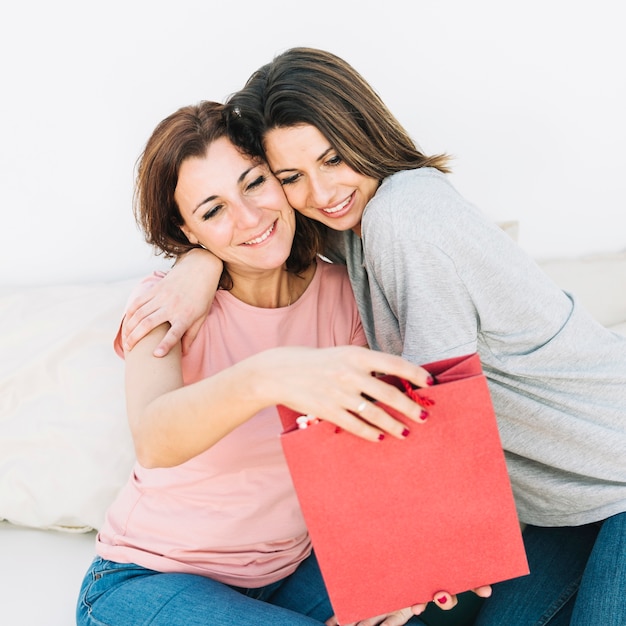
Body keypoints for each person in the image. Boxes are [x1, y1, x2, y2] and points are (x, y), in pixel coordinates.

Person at [121, 48, 626, 626]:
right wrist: (198, 268)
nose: (321, 190)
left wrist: (419, 563)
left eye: (333, 158)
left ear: (363, 132)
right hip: (562, 506)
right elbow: (156, 436)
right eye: (292, 177)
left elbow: (435, 412)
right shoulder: (333, 239)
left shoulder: (399, 219)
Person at [75, 99, 453, 626]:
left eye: (254, 184)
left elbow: (379, 455)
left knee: (457, 581)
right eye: (212, 211)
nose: (249, 218)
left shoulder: (344, 295)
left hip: (294, 574)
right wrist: (267, 374)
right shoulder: (168, 304)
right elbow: (154, 438)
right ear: (188, 232)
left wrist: (405, 565)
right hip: (150, 581)